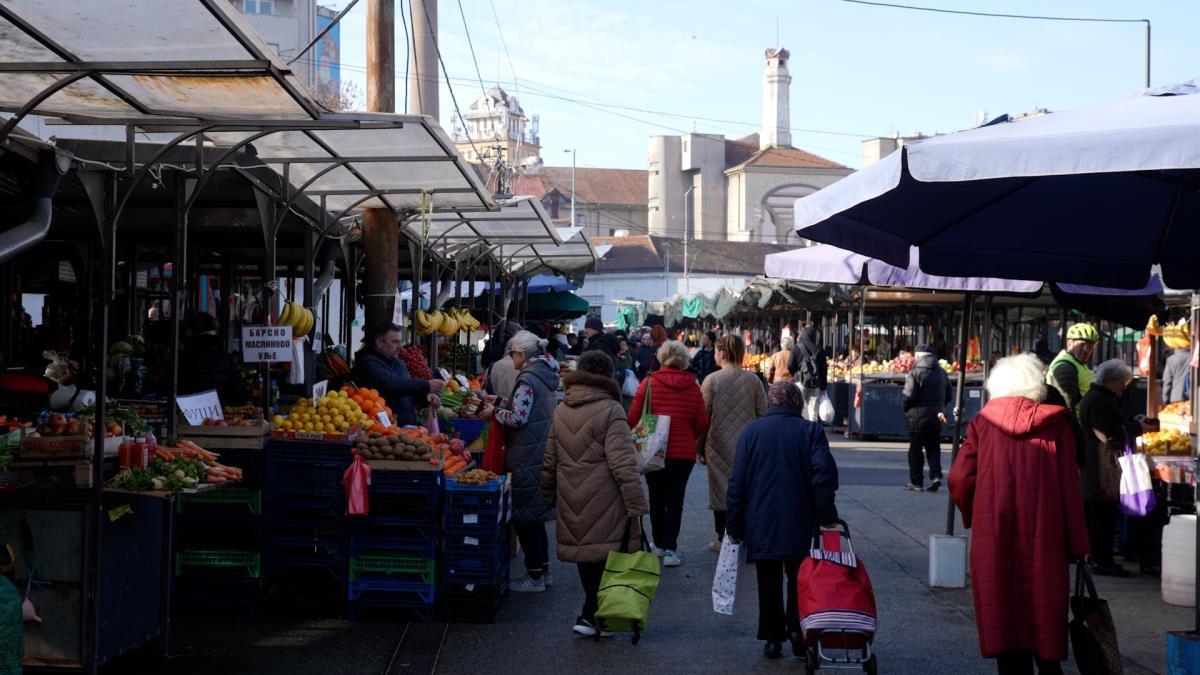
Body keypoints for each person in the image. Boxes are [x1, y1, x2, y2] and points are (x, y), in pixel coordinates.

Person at [949, 354, 1090, 675]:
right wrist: (1079, 544)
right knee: (1044, 621)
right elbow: (1071, 490)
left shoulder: (983, 423)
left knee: (1005, 623)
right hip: (1046, 538)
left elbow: (958, 478)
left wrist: (975, 513)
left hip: (995, 536)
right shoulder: (1058, 424)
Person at [726, 381, 839, 660]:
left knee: (768, 579)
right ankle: (798, 633)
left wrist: (734, 523)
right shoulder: (810, 431)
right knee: (800, 578)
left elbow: (737, 482)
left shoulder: (750, 432)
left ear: (770, 402)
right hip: (800, 518)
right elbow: (823, 477)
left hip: (760, 520)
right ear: (796, 402)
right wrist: (827, 516)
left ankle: (772, 638)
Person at [540, 351, 649, 637]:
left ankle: (592, 615)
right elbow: (622, 462)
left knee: (585, 553)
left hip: (569, 494)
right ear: (607, 376)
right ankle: (594, 614)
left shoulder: (562, 409)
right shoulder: (612, 410)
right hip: (605, 496)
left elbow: (549, 459)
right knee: (606, 554)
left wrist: (549, 494)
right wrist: (636, 503)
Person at [479, 331, 560, 591]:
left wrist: (495, 411)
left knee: (525, 518)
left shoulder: (527, 379)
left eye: (512, 353)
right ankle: (543, 572)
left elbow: (518, 418)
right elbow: (525, 407)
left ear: (522, 355)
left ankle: (534, 576)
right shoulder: (543, 376)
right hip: (539, 450)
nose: (510, 358)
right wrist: (500, 401)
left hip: (527, 453)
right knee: (535, 519)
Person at [627, 340, 708, 568]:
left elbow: (632, 417)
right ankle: (671, 548)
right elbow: (701, 422)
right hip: (682, 453)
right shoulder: (693, 387)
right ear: (684, 360)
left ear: (662, 358)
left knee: (656, 496)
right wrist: (687, 435)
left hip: (653, 450)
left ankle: (659, 544)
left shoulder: (649, 383)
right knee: (676, 499)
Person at [1078, 359, 1154, 577]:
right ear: (1110, 381)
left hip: (1102, 465)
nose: (1124, 386)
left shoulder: (1102, 398)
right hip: (1102, 467)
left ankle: (1102, 558)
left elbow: (1114, 425)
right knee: (1101, 516)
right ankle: (1102, 561)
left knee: (1102, 515)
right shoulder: (1099, 401)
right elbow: (1109, 434)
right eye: (1122, 382)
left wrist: (1133, 421)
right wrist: (1137, 427)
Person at [699, 334, 767, 551]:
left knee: (720, 491)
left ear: (721, 353)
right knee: (747, 490)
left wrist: (698, 447)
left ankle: (723, 538)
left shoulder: (711, 380)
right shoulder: (753, 380)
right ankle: (746, 535)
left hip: (717, 443)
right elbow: (763, 413)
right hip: (748, 445)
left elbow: (703, 418)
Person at [351, 322, 445, 427]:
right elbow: (388, 384)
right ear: (379, 343)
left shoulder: (399, 363)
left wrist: (426, 398)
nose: (400, 347)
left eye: (400, 342)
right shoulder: (367, 363)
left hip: (407, 431)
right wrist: (426, 385)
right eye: (395, 342)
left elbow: (407, 391)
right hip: (381, 431)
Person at [902, 342, 951, 492]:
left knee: (915, 448)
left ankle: (916, 482)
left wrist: (906, 407)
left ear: (917, 356)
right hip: (937, 415)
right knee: (933, 446)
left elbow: (908, 395)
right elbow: (949, 395)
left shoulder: (914, 372)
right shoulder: (942, 373)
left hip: (917, 415)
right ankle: (935, 476)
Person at [177, 313, 249, 404]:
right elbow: (240, 394)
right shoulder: (227, 359)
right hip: (222, 412)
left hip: (188, 412)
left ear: (189, 332)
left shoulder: (183, 359)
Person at [1045, 323, 1099, 415]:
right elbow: (1066, 408)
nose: (1086, 350)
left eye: (1090, 346)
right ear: (1070, 344)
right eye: (1082, 344)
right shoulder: (1065, 368)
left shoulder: (1077, 363)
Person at [788, 326, 828, 418]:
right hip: (815, 383)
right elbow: (824, 370)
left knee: (799, 407)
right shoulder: (819, 350)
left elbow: (790, 365)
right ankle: (811, 429)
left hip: (800, 382)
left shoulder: (796, 347)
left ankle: (800, 428)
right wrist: (823, 386)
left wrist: (796, 375)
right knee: (813, 410)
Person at [484, 321, 522, 399]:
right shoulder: (525, 367)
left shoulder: (492, 367)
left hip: (494, 408)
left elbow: (487, 390)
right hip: (516, 408)